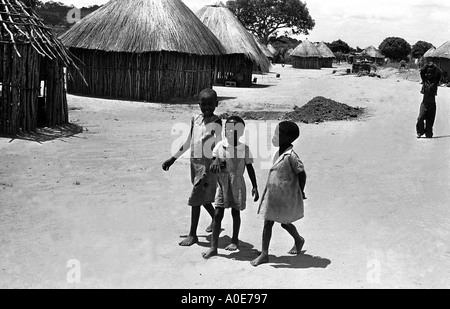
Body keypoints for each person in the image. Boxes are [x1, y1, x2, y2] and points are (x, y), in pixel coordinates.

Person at [162, 88, 222, 246]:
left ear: (216, 104)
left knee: (196, 197)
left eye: (210, 104)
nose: (207, 107)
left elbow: (220, 143)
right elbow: (189, 141)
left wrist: (217, 160)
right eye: (203, 104)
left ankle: (192, 234)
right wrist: (173, 158)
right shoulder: (195, 119)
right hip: (195, 164)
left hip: (208, 165)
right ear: (199, 104)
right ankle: (216, 219)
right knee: (202, 196)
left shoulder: (217, 121)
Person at [202, 116, 259, 259]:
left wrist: (255, 186)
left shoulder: (244, 149)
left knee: (235, 213)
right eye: (227, 129)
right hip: (222, 184)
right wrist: (215, 161)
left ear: (241, 132)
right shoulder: (220, 145)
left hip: (237, 184)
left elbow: (250, 167)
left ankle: (234, 240)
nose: (229, 132)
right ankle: (213, 247)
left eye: (234, 130)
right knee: (217, 214)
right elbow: (215, 160)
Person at [251, 121, 307, 267]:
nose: (274, 136)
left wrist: (301, 190)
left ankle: (298, 240)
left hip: (284, 196)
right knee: (268, 222)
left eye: (278, 134)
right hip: (273, 195)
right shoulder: (278, 153)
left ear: (288, 138)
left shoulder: (291, 156)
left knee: (284, 223)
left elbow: (302, 173)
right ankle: (264, 253)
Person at [417, 62, 442, 139]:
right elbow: (422, 71)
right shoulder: (424, 81)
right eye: (428, 73)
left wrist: (434, 65)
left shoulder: (435, 81)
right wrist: (427, 65)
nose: (429, 75)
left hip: (432, 104)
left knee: (430, 122)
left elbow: (439, 72)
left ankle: (428, 132)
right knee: (420, 118)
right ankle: (420, 132)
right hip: (424, 103)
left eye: (431, 73)